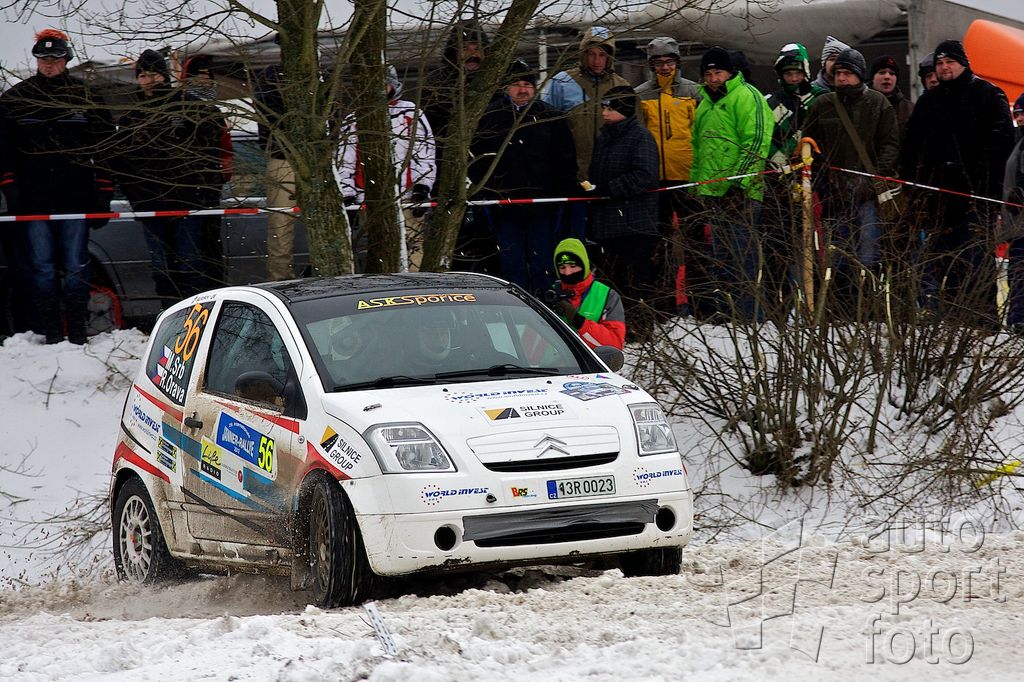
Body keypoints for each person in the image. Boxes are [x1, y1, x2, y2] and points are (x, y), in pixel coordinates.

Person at [0, 29, 115, 344]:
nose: (49, 64)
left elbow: (106, 149)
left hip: (75, 199)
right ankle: (50, 331)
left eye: (55, 58)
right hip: (32, 202)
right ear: (36, 60)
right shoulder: (15, 99)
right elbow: (3, 151)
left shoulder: (87, 97)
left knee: (77, 265)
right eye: (43, 58)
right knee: (42, 267)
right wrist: (11, 190)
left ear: (66, 60)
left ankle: (76, 331)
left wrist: (104, 194)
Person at [901, 39, 1015, 329]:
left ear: (963, 63)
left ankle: (983, 323)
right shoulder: (929, 101)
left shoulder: (988, 94)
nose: (944, 68)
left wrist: (984, 187)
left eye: (950, 62)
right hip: (937, 199)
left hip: (976, 197)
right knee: (944, 263)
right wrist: (916, 187)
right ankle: (953, 323)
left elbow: (1001, 145)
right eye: (939, 63)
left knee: (975, 260)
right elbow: (911, 147)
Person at [113, 49, 226, 307]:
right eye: (143, 75)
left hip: (188, 204)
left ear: (164, 76)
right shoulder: (131, 117)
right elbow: (121, 164)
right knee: (162, 268)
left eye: (154, 74)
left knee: (191, 266)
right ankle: (169, 318)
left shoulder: (189, 107)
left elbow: (211, 151)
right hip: (150, 206)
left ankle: (198, 319)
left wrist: (202, 193)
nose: (148, 81)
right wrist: (138, 199)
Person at [468, 59, 576, 295]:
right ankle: (514, 304)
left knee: (543, 263)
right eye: (517, 84)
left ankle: (545, 303)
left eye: (527, 84)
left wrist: (559, 194)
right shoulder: (489, 117)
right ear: (506, 87)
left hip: (542, 205)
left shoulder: (550, 117)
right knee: (511, 263)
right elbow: (475, 159)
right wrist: (487, 191)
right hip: (504, 206)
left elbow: (565, 161)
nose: (522, 89)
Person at [804, 48, 899, 314]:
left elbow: (890, 145)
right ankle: (838, 312)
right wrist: (823, 184)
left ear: (859, 75)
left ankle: (868, 313)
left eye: (847, 73)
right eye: (838, 73)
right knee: (836, 257)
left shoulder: (878, 103)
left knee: (869, 255)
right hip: (834, 196)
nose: (841, 78)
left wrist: (873, 180)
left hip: (868, 196)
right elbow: (809, 146)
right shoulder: (822, 104)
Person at [690, 46, 774, 322]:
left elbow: (757, 142)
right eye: (708, 74)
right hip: (713, 195)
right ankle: (727, 315)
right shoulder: (704, 104)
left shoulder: (747, 95)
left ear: (730, 72)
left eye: (718, 72)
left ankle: (751, 318)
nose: (713, 79)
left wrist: (740, 184)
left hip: (742, 195)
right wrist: (696, 186)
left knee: (744, 259)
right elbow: (698, 148)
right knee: (722, 260)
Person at [335, 65, 436, 271]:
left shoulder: (410, 113)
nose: (381, 89)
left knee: (413, 247)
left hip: (407, 197)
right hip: (370, 198)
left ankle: (416, 285)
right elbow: (345, 159)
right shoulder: (355, 118)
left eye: (385, 84)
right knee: (379, 249)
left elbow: (424, 152)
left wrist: (422, 188)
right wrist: (347, 192)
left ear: (393, 85)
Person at [420, 19, 498, 274]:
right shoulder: (436, 84)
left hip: (491, 175)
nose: (473, 53)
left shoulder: (495, 82)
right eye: (466, 47)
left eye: (477, 47)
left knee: (491, 246)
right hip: (447, 174)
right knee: (451, 245)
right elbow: (427, 135)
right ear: (455, 51)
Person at [541, 25, 631, 239]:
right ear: (583, 54)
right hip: (571, 179)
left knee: (607, 240)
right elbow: (544, 127)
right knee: (571, 240)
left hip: (609, 181)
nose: (597, 60)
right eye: (591, 54)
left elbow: (633, 133)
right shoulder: (561, 83)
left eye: (602, 55)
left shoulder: (622, 87)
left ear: (610, 57)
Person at [634, 36, 701, 317]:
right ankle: (663, 306)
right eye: (659, 62)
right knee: (657, 244)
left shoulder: (693, 91)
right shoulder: (640, 95)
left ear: (677, 62)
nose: (664, 67)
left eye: (669, 61)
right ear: (651, 65)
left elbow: (702, 133)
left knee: (695, 242)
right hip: (655, 182)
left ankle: (700, 302)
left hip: (688, 177)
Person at [587, 86, 660, 339]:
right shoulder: (604, 137)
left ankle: (640, 329)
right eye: (603, 107)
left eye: (610, 108)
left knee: (636, 281)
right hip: (607, 224)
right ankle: (615, 330)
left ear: (625, 110)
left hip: (634, 224)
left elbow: (645, 176)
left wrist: (611, 188)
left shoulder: (640, 137)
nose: (605, 113)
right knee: (612, 281)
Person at [764, 42, 821, 317]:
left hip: (817, 184)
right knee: (778, 251)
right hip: (779, 188)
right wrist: (781, 166)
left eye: (798, 73)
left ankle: (817, 306)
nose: (794, 78)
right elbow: (766, 142)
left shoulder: (819, 99)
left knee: (816, 249)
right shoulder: (771, 103)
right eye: (788, 73)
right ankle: (779, 310)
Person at [253, 37, 298, 281]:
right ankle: (281, 280)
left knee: (325, 220)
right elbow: (269, 116)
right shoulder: (270, 77)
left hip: (318, 159)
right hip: (283, 157)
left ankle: (327, 276)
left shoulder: (321, 76)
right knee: (280, 226)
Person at [546, 238, 625, 350]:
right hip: (551, 360)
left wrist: (579, 322)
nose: (567, 272)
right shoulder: (549, 294)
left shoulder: (607, 296)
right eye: (562, 267)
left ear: (584, 265)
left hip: (589, 361)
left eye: (573, 266)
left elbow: (615, 346)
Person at [1003, 125, 1024, 333]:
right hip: (1016, 220)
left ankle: (1019, 318)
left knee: (1020, 270)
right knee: (1017, 271)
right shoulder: (1018, 139)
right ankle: (1017, 318)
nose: (1020, 118)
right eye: (1017, 113)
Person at [869, 55, 913, 135]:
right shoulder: (862, 103)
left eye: (892, 73)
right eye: (882, 72)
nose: (887, 77)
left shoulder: (909, 109)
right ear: (872, 78)